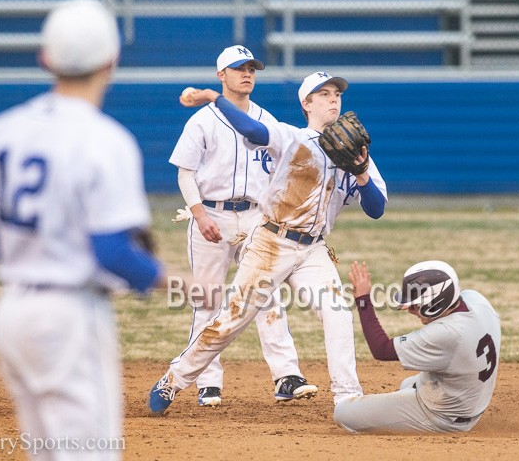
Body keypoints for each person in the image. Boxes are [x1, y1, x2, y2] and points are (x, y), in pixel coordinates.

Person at [0, 0, 173, 460]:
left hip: (11, 314)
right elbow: (113, 252)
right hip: (69, 318)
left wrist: (33, 251)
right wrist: (172, 281)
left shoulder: (2, 129)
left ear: (46, 59)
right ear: (111, 61)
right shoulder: (106, 140)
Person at [148, 71, 388, 414]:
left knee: (337, 313)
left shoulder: (355, 152)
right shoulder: (292, 138)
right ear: (306, 103)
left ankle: (347, 397)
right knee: (231, 321)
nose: (333, 99)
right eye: (323, 94)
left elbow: (376, 209)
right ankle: (175, 378)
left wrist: (362, 170)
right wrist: (214, 98)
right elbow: (252, 130)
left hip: (313, 249)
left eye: (336, 93)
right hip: (272, 242)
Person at [167, 45, 316, 407]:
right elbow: (185, 172)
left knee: (265, 292)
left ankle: (286, 376)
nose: (246, 73)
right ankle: (208, 382)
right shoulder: (202, 120)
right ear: (221, 76)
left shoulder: (265, 121)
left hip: (254, 217)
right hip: (211, 213)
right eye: (238, 68)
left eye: (251, 68)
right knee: (208, 298)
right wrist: (199, 213)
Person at [333, 260, 501, 433]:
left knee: (343, 413)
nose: (411, 309)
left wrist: (363, 300)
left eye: (416, 304)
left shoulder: (447, 334)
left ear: (436, 303)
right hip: (469, 399)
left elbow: (381, 349)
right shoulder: (476, 300)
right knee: (408, 383)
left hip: (442, 418)